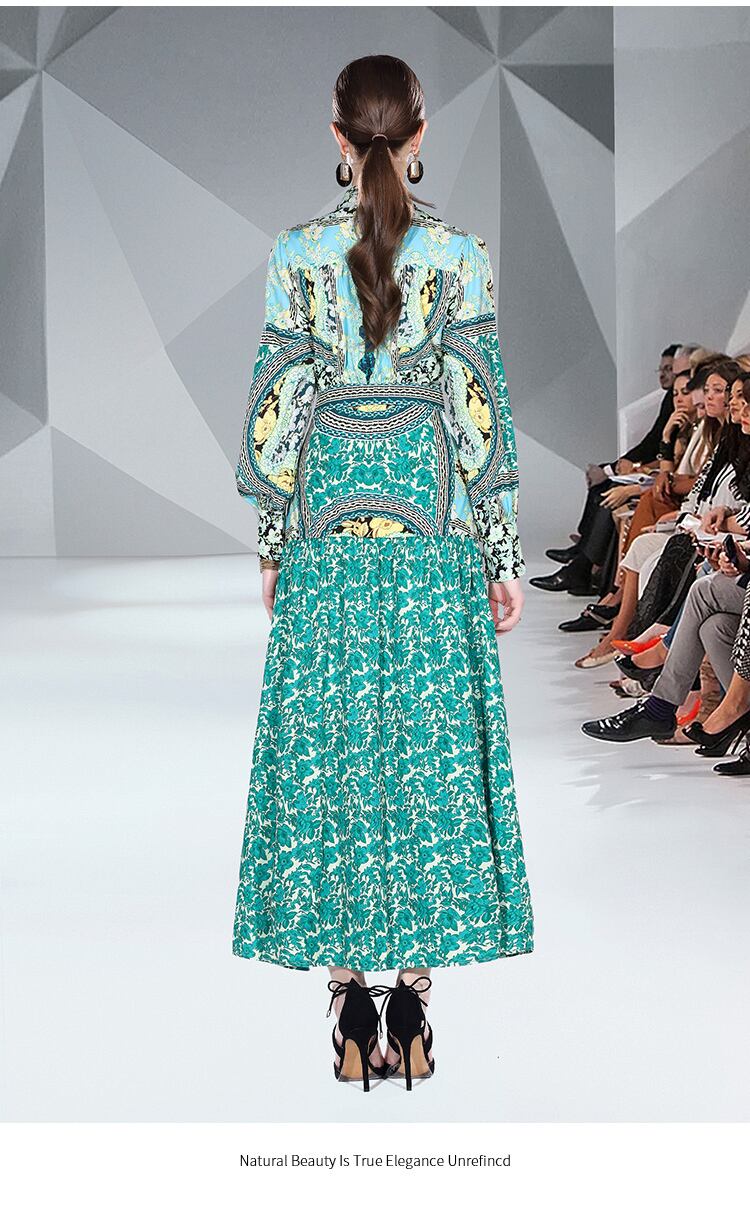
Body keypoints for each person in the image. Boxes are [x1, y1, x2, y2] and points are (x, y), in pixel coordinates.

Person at [230, 55, 534, 1093]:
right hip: (429, 525)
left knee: (336, 745)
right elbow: (480, 407)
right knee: (423, 747)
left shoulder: (296, 253)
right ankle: (412, 999)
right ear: (419, 134)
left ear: (336, 135)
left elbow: (278, 408)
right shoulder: (460, 255)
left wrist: (273, 544)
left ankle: (349, 999)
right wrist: (501, 554)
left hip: (327, 525)